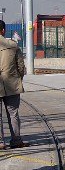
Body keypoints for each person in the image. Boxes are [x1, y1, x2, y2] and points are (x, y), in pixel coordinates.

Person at [0, 20, 28, 148]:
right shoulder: (13, 45)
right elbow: (21, 67)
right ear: (3, 30)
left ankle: (1, 142)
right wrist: (18, 79)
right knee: (13, 114)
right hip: (12, 84)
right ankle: (16, 140)